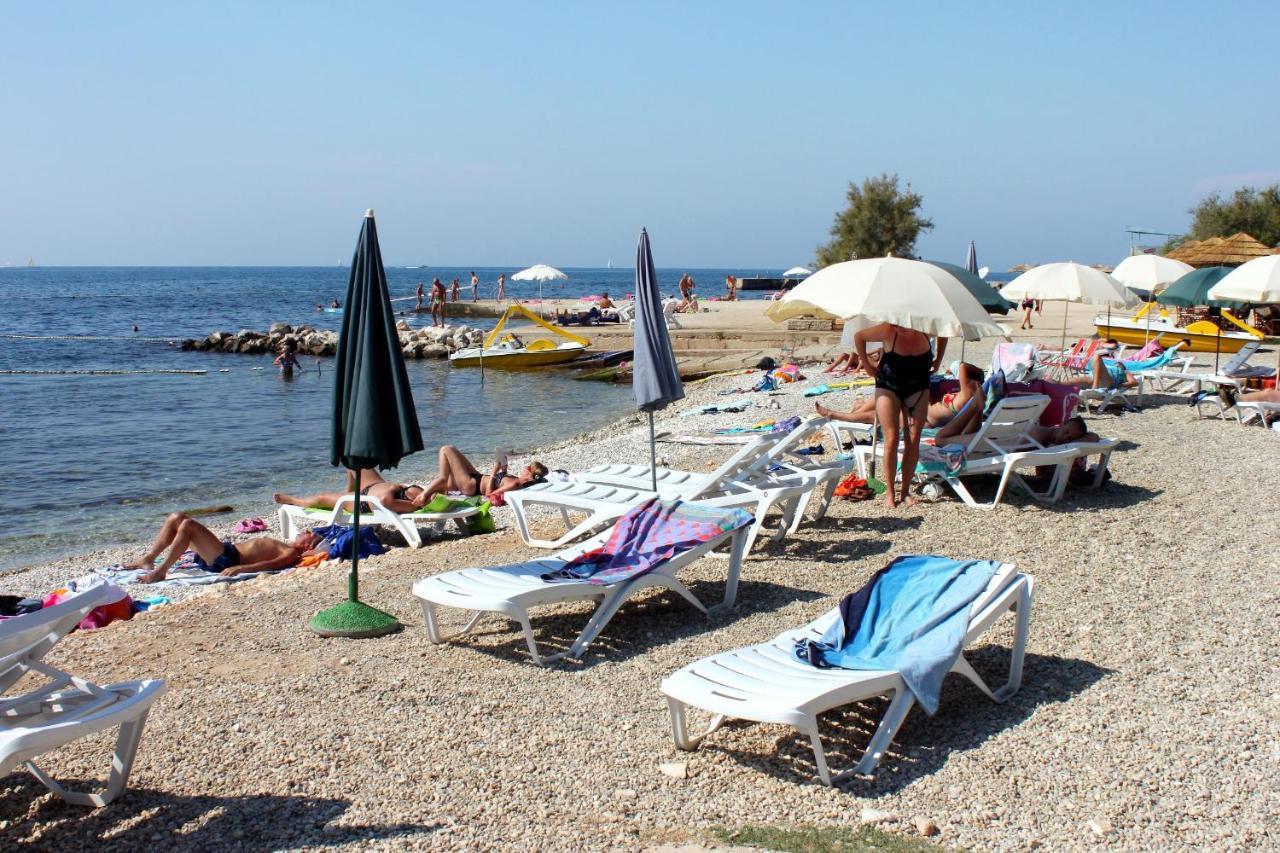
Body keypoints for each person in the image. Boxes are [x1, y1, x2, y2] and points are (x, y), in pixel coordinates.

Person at [856, 322, 946, 509]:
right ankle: (889, 492)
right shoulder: (888, 331)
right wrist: (866, 365)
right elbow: (860, 336)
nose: (899, 327)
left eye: (903, 324)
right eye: (896, 323)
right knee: (892, 438)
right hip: (888, 386)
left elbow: (944, 332)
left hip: (918, 387)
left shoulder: (927, 329)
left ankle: (905, 492)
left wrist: (938, 359)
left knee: (914, 439)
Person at [124, 513, 323, 584]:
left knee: (188, 525)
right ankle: (149, 558)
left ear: (307, 544)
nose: (305, 530)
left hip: (228, 559)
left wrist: (241, 569)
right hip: (221, 552)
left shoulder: (291, 552)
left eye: (309, 533)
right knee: (176, 518)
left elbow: (272, 564)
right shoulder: (285, 544)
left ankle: (161, 571)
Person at [418, 446, 548, 502]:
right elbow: (500, 482)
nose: (523, 468)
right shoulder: (517, 481)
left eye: (526, 467)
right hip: (477, 477)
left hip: (472, 485)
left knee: (446, 450)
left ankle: (442, 480)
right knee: (450, 456)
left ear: (529, 471)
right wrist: (503, 468)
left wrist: (493, 472)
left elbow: (489, 495)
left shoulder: (515, 483)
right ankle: (444, 485)